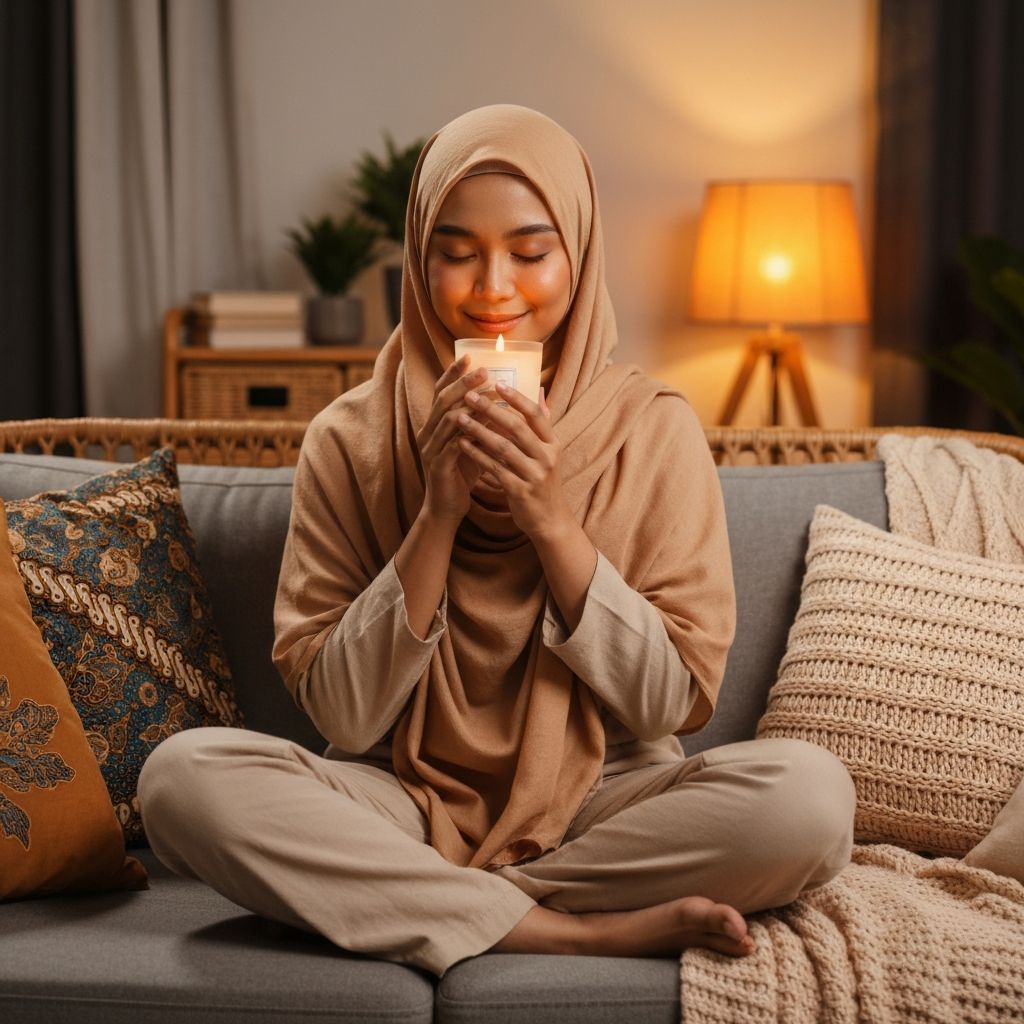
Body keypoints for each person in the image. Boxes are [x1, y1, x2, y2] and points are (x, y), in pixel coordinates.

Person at [138, 104, 855, 978]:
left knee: (809, 801)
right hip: (395, 795)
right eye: (456, 251)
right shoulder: (348, 437)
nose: (491, 288)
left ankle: (404, 899)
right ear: (418, 259)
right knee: (181, 779)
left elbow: (668, 706)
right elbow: (345, 716)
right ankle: (567, 928)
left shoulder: (655, 431)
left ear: (579, 257)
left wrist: (552, 519)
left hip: (605, 798)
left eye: (529, 251)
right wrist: (437, 513)